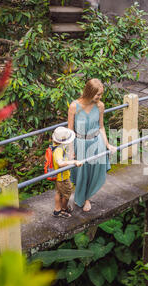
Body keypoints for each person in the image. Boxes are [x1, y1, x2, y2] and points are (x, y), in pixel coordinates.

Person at [68, 79, 117, 212]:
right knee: (82, 172)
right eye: (98, 94)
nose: (100, 97)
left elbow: (101, 127)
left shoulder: (100, 106)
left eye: (101, 94)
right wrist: (71, 150)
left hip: (96, 142)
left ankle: (87, 198)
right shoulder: (74, 106)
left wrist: (107, 145)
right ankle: (81, 197)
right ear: (89, 92)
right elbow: (70, 131)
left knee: (94, 171)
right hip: (80, 143)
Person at [51, 126, 83, 218]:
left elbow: (61, 159)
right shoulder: (58, 150)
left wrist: (69, 157)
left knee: (59, 192)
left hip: (58, 175)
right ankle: (63, 209)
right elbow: (60, 163)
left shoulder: (56, 146)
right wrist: (73, 162)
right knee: (67, 193)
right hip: (62, 176)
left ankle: (57, 210)